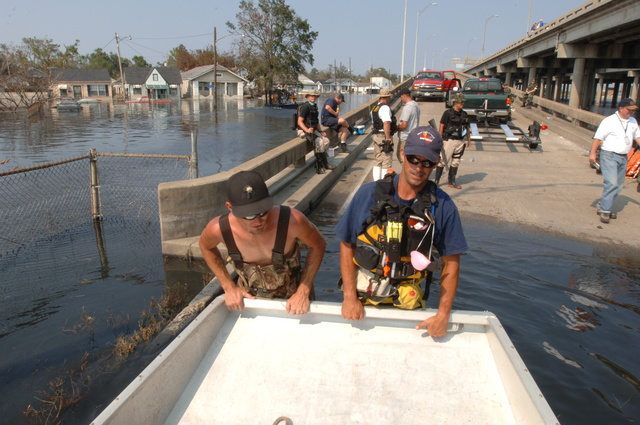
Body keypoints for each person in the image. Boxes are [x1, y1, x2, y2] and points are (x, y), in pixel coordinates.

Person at [336, 126, 468, 337]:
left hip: (409, 304)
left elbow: (451, 263)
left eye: (427, 162)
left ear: (436, 164)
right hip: (362, 299)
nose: (419, 167)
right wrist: (349, 297)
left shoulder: (442, 206)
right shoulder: (368, 194)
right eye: (413, 159)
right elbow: (346, 244)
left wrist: (443, 314)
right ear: (402, 154)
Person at [199, 170, 327, 314]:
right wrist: (229, 287)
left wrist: (303, 291)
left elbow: (318, 245)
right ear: (230, 207)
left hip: (295, 300)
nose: (258, 221)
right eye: (249, 215)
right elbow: (205, 247)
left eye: (262, 211)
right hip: (249, 300)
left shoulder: (292, 221)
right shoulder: (219, 229)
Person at [589, 98, 640, 223]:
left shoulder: (633, 121)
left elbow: (638, 137)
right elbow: (597, 138)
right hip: (609, 155)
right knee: (611, 183)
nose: (631, 112)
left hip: (624, 157)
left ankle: (603, 204)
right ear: (621, 108)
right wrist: (593, 153)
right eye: (629, 110)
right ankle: (605, 211)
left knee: (619, 184)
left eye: (633, 110)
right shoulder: (609, 121)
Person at [434, 92, 471, 189]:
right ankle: (436, 181)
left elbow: (467, 127)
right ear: (455, 102)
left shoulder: (464, 114)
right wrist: (439, 138)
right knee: (442, 160)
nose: (462, 104)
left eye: (463, 102)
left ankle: (452, 180)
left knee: (456, 161)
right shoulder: (448, 113)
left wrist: (469, 139)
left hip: (460, 141)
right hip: (449, 140)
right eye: (461, 102)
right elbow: (442, 125)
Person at [297, 89, 334, 174]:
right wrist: (307, 130)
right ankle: (321, 165)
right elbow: (299, 121)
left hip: (313, 130)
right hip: (303, 130)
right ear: (307, 96)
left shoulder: (314, 106)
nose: (313, 97)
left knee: (326, 141)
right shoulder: (305, 107)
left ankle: (324, 162)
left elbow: (316, 121)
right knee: (319, 142)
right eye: (311, 96)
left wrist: (321, 132)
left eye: (315, 96)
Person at [370, 88, 397, 180]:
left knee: (378, 159)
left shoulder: (375, 107)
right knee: (386, 160)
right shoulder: (385, 108)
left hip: (376, 135)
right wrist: (388, 137)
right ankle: (384, 183)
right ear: (387, 97)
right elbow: (386, 123)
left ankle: (376, 182)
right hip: (383, 135)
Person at [396, 88, 421, 163]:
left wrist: (396, 128)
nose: (401, 99)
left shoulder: (407, 108)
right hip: (413, 135)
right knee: (410, 158)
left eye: (401, 97)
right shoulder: (416, 105)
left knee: (402, 157)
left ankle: (407, 174)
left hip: (406, 137)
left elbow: (404, 125)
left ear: (404, 96)